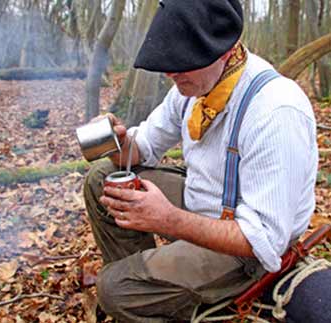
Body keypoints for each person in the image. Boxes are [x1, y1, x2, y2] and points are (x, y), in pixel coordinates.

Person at [83, 0, 318, 321]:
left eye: (182, 62)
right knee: (102, 178)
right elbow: (142, 148)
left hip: (246, 250)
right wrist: (118, 142)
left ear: (222, 50)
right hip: (202, 203)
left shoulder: (275, 111)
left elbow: (264, 240)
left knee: (113, 289)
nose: (170, 72)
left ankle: (146, 290)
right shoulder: (193, 84)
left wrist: (167, 220)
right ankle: (154, 285)